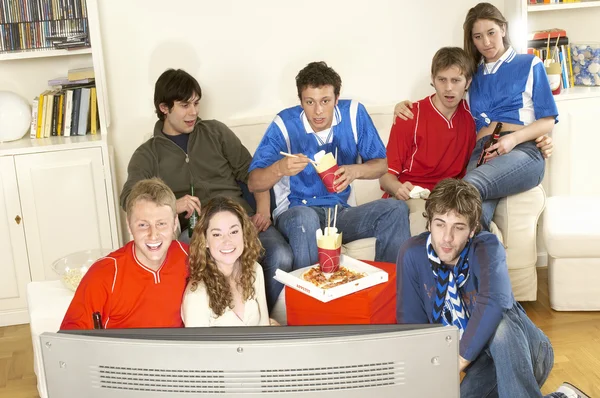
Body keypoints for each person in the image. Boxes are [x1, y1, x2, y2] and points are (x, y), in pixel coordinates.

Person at [396, 178, 590, 398]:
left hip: (526, 352)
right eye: (440, 224)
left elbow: (494, 300)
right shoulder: (412, 253)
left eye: (458, 227)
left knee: (500, 324)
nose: (447, 238)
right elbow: (411, 324)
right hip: (482, 363)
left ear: (471, 230)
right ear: (429, 223)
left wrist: (458, 361)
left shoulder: (487, 247)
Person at [119, 69, 293, 311]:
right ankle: (219, 321)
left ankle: (256, 320)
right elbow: (129, 198)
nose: (193, 112)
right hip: (196, 229)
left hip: (238, 219)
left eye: (196, 103)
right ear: (164, 108)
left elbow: (252, 172)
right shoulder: (147, 154)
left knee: (281, 255)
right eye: (184, 105)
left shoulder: (215, 132)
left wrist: (263, 209)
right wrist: (172, 205)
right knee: (183, 265)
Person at [393, 2, 558, 230]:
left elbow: (548, 120)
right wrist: (402, 106)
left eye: (491, 33)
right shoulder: (471, 75)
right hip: (481, 154)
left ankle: (434, 226)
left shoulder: (529, 64)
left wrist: (514, 139)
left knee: (468, 186)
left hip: (521, 150)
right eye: (478, 37)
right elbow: (444, 97)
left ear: (503, 29)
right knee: (472, 218)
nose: (486, 42)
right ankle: (470, 261)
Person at [248, 61, 410, 269]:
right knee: (305, 219)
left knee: (395, 209)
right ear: (300, 101)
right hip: (297, 212)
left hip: (340, 212)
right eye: (309, 102)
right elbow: (254, 182)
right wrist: (280, 168)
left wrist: (355, 171)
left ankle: (390, 293)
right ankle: (309, 300)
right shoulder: (284, 123)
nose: (318, 111)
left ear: (336, 98)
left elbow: (382, 165)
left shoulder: (353, 113)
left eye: (325, 101)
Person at [61, 178, 189, 330]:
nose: (153, 235)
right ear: (129, 226)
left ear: (175, 223)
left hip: (178, 352)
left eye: (161, 224)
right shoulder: (104, 274)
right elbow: (70, 337)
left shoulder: (191, 258)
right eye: (143, 225)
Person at [380, 47, 476, 200]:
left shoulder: (471, 115)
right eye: (442, 79)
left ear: (467, 82)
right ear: (433, 80)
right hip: (411, 196)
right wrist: (398, 189)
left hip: (447, 199)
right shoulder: (409, 115)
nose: (448, 88)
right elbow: (385, 175)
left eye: (456, 80)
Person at [181, 196, 270, 327]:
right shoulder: (197, 294)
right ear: (205, 240)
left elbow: (264, 327)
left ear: (244, 234)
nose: (227, 241)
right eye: (217, 234)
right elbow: (198, 347)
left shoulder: (255, 270)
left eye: (234, 232)